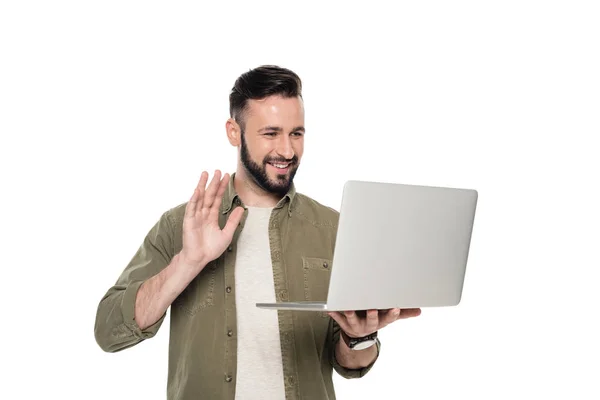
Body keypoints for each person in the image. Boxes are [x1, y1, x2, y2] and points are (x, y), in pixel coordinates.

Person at [94, 65, 421, 400]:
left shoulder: (334, 229)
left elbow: (351, 364)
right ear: (234, 132)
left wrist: (359, 337)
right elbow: (109, 331)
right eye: (270, 134)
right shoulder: (181, 225)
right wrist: (188, 262)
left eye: (297, 133)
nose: (287, 151)